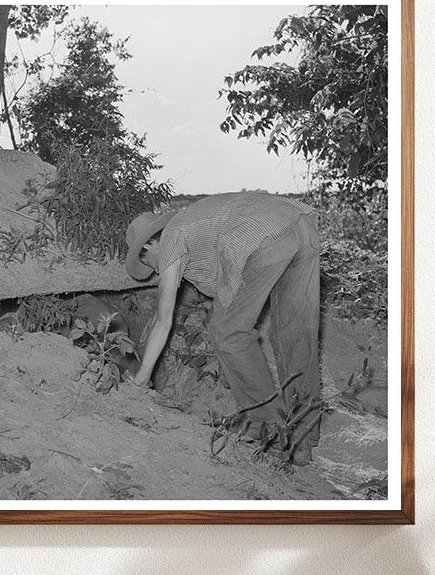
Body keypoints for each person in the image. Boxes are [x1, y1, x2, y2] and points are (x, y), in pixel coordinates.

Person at [124, 191, 321, 463]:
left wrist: (141, 379)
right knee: (295, 334)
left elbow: (163, 317)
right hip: (301, 225)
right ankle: (303, 437)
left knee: (226, 331)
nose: (157, 272)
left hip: (262, 234)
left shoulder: (172, 236)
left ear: (149, 246)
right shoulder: (197, 224)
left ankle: (267, 427)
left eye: (149, 265)